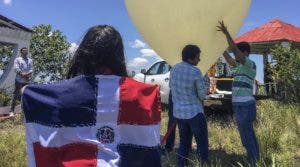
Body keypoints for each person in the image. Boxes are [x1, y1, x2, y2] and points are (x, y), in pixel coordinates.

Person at [22, 25, 161, 167]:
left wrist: (27, 92)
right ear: (119, 55)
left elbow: (30, 94)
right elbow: (148, 147)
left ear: (84, 54)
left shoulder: (64, 94)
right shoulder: (145, 94)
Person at [217, 21, 259, 165]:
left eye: (239, 53)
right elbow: (228, 57)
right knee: (246, 135)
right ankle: (254, 160)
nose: (235, 56)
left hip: (246, 106)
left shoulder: (249, 64)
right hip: (240, 106)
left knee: (247, 135)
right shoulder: (239, 67)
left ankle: (254, 162)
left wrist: (226, 33)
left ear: (245, 53)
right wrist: (218, 47)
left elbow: (234, 51)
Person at [170, 44, 208, 166]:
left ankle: (181, 164)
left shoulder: (174, 69)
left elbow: (172, 88)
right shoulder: (196, 71)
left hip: (179, 114)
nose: (199, 59)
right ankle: (203, 164)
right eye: (198, 57)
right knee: (202, 145)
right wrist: (206, 83)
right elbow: (202, 96)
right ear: (191, 58)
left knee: (184, 144)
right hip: (194, 113)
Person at [9, 47, 33, 116]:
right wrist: (22, 74)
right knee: (15, 95)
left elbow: (31, 69)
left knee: (25, 96)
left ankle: (24, 111)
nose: (25, 52)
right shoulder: (17, 59)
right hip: (19, 80)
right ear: (21, 52)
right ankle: (11, 111)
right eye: (24, 51)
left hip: (27, 81)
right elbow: (16, 68)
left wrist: (27, 75)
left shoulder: (30, 60)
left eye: (26, 51)